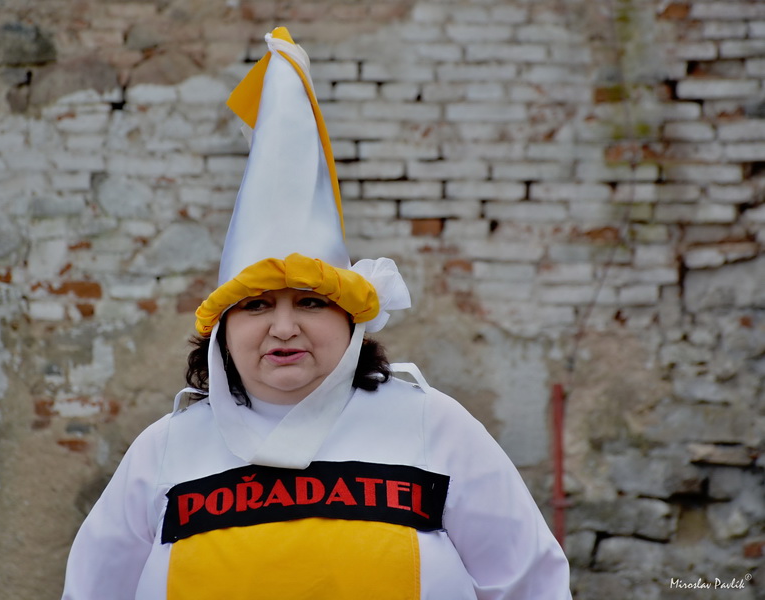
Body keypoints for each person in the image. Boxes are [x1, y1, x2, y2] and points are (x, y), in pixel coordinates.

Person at [62, 27, 572, 600]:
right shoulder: (163, 451)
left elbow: (530, 584)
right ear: (222, 331)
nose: (284, 328)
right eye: (257, 306)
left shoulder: (435, 427)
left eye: (310, 302)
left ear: (351, 323)